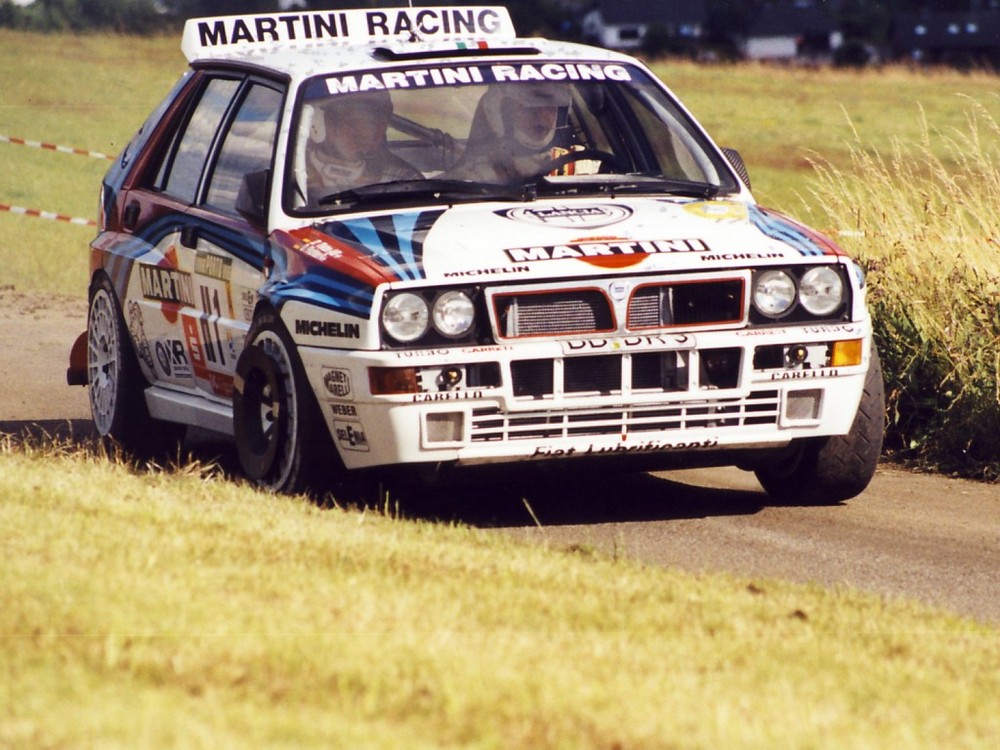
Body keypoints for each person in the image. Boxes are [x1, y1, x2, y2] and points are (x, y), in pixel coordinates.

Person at [449, 82, 584, 182]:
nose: (541, 115)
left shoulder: (581, 165)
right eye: (526, 107)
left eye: (549, 107)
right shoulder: (472, 178)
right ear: (498, 112)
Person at [305, 90, 421, 201]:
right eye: (354, 124)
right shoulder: (293, 173)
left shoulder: (404, 180)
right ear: (322, 123)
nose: (369, 134)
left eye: (372, 124)